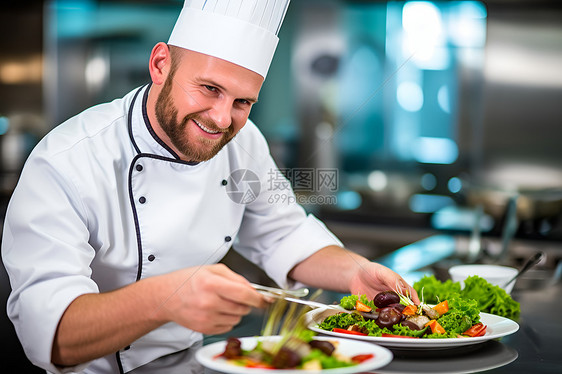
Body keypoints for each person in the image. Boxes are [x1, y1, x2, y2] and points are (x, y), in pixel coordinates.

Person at [1, 1, 419, 373]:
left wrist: (355, 271)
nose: (222, 120)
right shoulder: (64, 162)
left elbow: (285, 234)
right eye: (209, 89)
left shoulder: (245, 141)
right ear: (161, 63)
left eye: (242, 102)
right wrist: (170, 297)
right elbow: (50, 336)